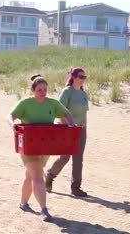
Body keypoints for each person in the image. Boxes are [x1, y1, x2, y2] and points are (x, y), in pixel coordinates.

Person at [7, 74, 75, 222]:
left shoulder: (52, 103)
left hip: (45, 146)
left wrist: (71, 125)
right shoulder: (26, 103)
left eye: (45, 89)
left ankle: (23, 203)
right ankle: (44, 210)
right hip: (28, 146)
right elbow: (10, 116)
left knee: (30, 175)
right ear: (33, 90)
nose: (42, 92)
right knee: (38, 176)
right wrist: (14, 126)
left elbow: (67, 114)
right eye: (39, 89)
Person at [45, 68, 89, 197]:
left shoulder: (83, 93)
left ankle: (76, 187)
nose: (83, 79)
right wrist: (69, 125)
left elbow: (84, 112)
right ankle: (50, 176)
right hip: (68, 129)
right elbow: (60, 111)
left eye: (84, 77)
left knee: (78, 158)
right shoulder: (67, 92)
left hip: (81, 130)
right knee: (65, 157)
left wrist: (84, 127)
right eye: (81, 77)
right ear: (74, 77)